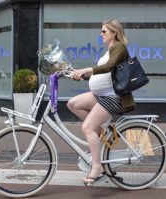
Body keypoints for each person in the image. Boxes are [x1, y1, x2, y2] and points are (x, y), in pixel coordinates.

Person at [67, 20, 135, 184]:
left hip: (113, 97)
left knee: (87, 127)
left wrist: (86, 69)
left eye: (104, 31)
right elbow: (100, 74)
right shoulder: (108, 50)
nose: (101, 34)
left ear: (114, 33)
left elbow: (109, 67)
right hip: (100, 95)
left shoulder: (119, 46)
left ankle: (97, 167)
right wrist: (78, 75)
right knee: (73, 103)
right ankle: (100, 129)